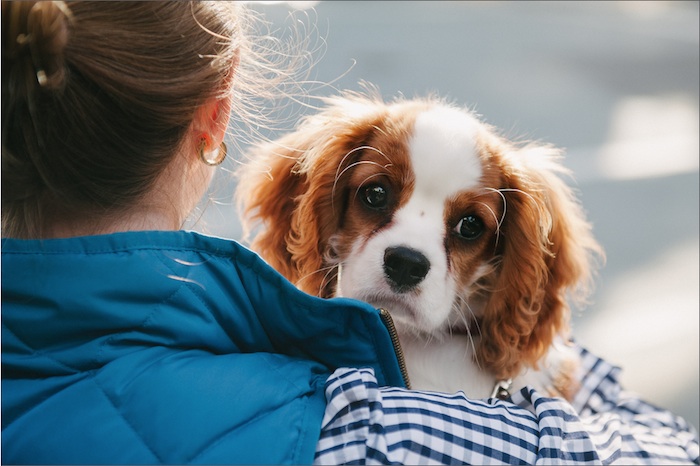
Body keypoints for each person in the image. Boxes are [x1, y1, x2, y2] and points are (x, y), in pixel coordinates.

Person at [2, 1, 698, 464]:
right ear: (214, 118)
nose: (413, 243)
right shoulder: (362, 435)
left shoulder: (224, 322)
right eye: (374, 196)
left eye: (464, 227)